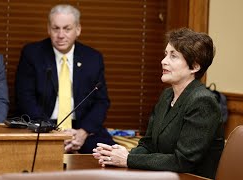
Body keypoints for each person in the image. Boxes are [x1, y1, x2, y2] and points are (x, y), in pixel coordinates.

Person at [92, 28, 224, 179]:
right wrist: (115, 155)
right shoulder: (167, 95)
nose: (163, 61)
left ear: (194, 66)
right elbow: (148, 144)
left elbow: (182, 161)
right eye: (165, 54)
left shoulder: (202, 102)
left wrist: (128, 159)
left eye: (173, 56)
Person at [15, 4, 115, 154]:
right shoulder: (32, 54)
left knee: (109, 154)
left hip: (81, 128)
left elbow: (101, 101)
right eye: (56, 28)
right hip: (43, 126)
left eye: (67, 29)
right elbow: (25, 99)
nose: (61, 35)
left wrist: (82, 133)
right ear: (49, 29)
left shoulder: (93, 58)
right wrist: (53, 133)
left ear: (78, 30)